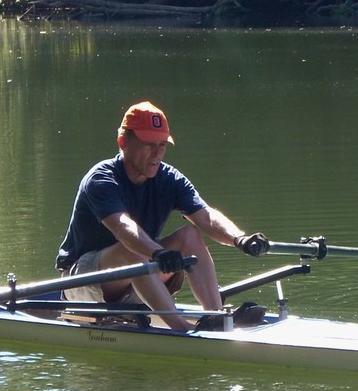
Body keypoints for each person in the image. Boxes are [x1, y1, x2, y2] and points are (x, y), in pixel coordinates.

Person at [56, 100, 269, 331]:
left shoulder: (169, 178)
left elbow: (206, 216)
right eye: (148, 145)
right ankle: (182, 329)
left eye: (162, 145)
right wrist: (157, 252)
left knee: (189, 235)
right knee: (133, 248)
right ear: (123, 142)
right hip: (82, 284)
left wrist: (240, 239)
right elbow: (123, 227)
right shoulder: (101, 179)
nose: (157, 153)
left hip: (138, 275)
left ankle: (215, 317)